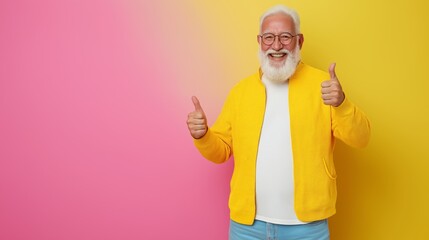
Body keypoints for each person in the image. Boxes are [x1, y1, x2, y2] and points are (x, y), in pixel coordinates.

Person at [186, 5, 370, 240]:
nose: (276, 45)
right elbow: (220, 151)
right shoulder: (240, 92)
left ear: (299, 41)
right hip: (247, 228)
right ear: (259, 41)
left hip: (307, 228)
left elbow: (361, 138)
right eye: (269, 37)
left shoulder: (324, 86)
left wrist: (341, 103)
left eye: (285, 37)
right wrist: (203, 136)